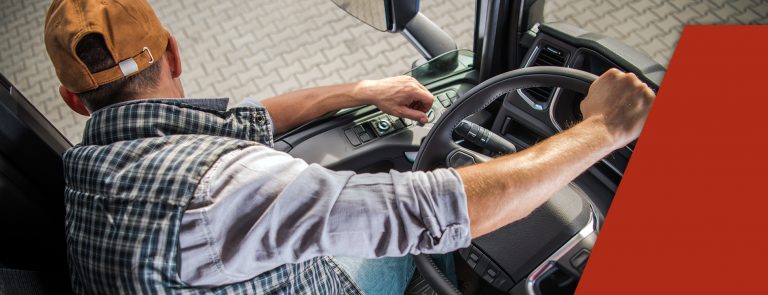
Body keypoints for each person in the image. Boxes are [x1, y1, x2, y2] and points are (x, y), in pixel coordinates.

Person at [44, 0, 655, 294]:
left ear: (74, 102)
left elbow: (243, 119)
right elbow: (444, 211)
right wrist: (602, 128)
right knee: (439, 251)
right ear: (175, 52)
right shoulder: (225, 190)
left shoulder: (86, 165)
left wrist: (362, 90)